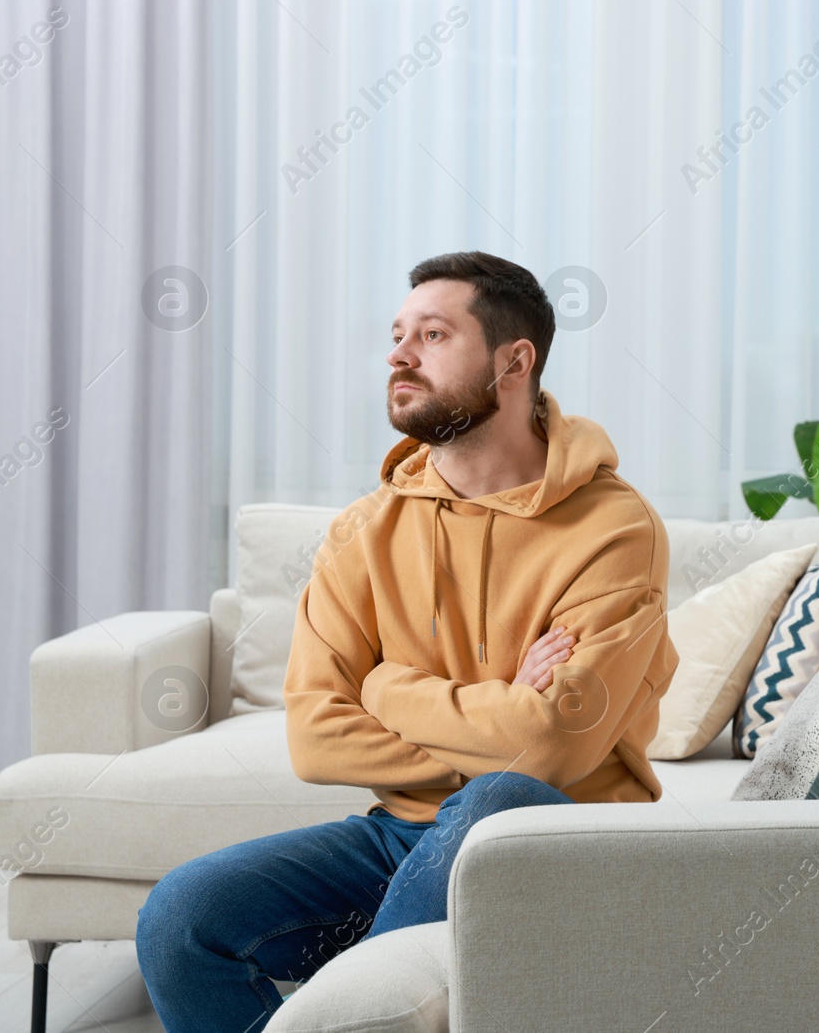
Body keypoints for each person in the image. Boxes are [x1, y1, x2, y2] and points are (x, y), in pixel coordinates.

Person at [136, 251, 679, 1032]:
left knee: (497, 795)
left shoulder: (614, 529)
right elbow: (315, 735)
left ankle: (355, 995)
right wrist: (503, 720)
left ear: (513, 361)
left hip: (561, 831)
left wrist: (388, 687)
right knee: (181, 917)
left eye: (431, 333)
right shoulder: (365, 531)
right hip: (399, 834)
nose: (398, 353)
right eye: (397, 334)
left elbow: (553, 749)